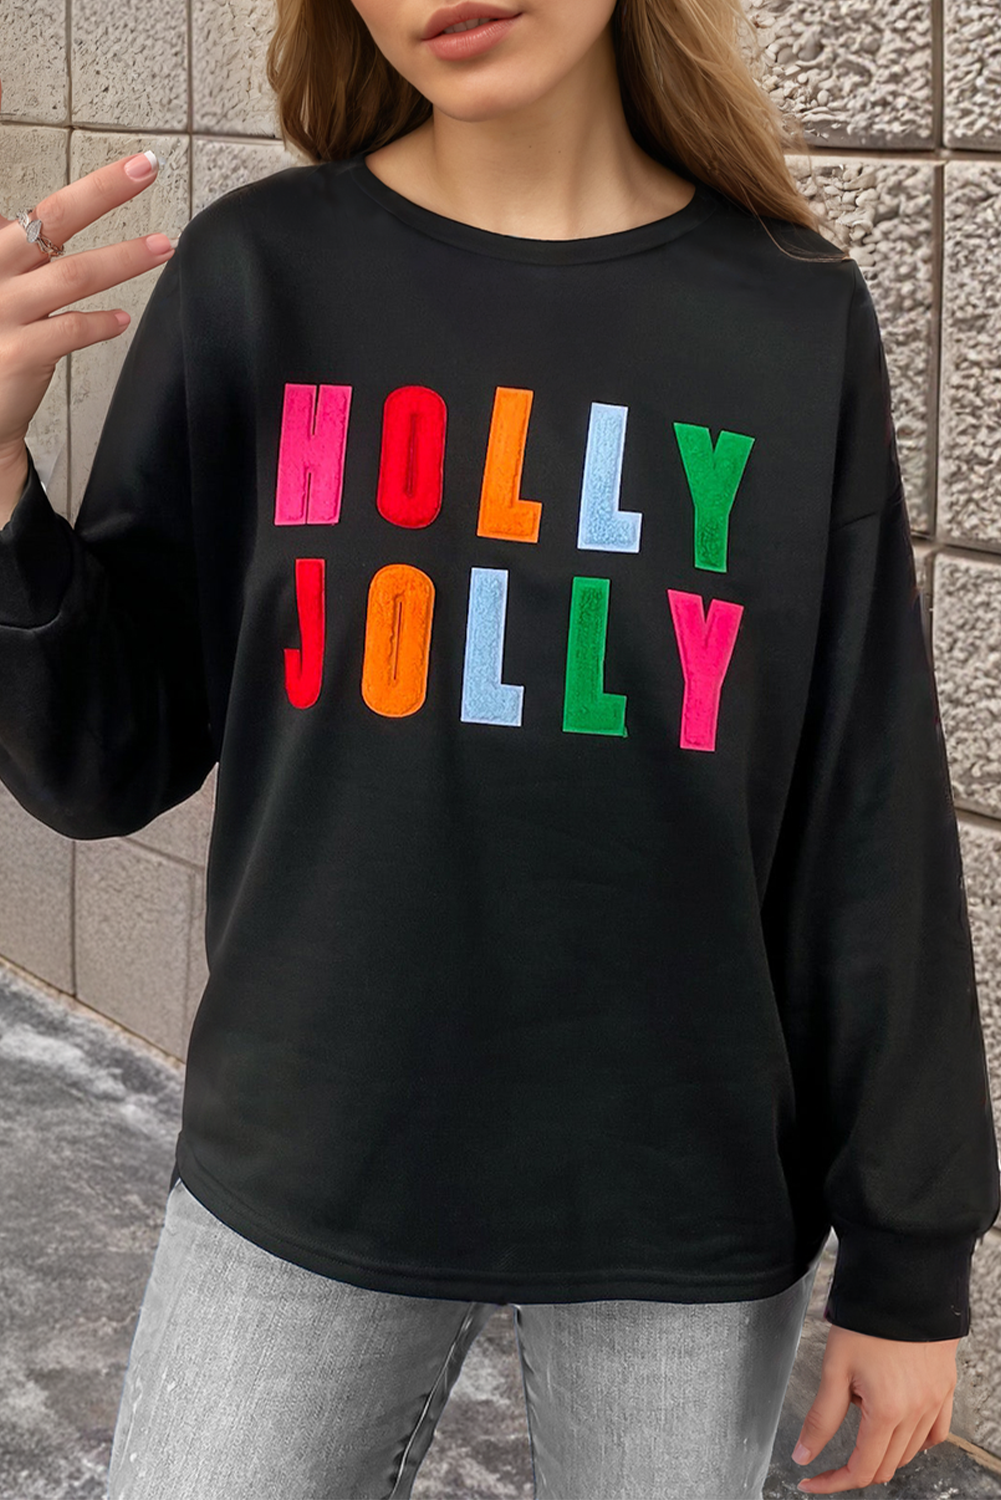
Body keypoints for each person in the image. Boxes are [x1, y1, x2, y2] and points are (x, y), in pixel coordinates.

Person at [0, 0, 998, 1496]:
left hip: (679, 1189)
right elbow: (102, 760)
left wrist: (913, 1258)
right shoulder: (263, 276)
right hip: (311, 1154)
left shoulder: (790, 313)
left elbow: (862, 798)